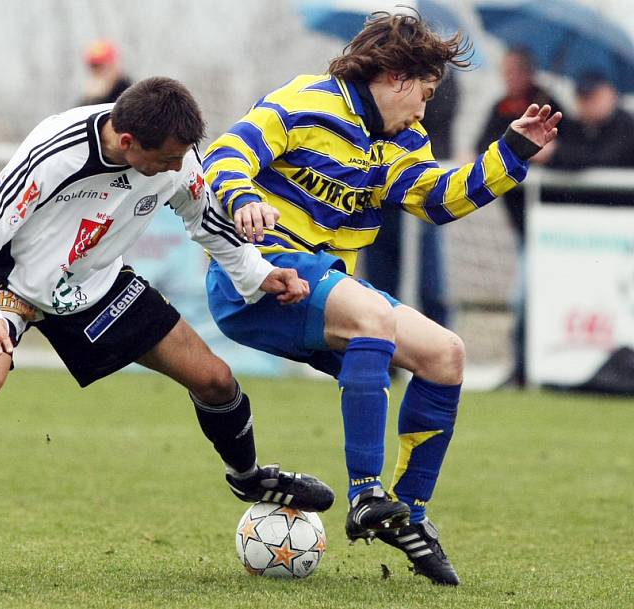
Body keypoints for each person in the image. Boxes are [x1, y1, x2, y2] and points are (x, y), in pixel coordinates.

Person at [0, 77, 335, 588]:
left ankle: (247, 477)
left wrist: (258, 275)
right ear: (128, 143)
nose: (179, 168)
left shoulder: (178, 157)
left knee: (215, 380)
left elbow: (206, 221)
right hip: (11, 285)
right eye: (169, 159)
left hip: (96, 285)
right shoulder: (54, 151)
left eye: (183, 157)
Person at [203, 12, 560, 585]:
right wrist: (244, 197)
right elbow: (224, 153)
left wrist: (511, 152)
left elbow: (440, 200)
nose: (423, 110)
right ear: (395, 76)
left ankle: (410, 514)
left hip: (324, 285)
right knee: (373, 316)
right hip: (259, 278)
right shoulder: (306, 100)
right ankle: (365, 492)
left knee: (447, 354)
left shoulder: (402, 140)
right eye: (422, 93)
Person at [475, 48, 563, 387]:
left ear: (528, 72)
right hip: (520, 223)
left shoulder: (549, 105)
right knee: (523, 296)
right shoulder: (501, 109)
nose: (509, 79)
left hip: (549, 227)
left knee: (525, 297)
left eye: (515, 72)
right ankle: (522, 369)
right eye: (505, 72)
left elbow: (568, 149)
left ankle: (527, 369)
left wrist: (549, 155)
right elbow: (483, 145)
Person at [362, 71, 459, 328]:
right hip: (381, 196)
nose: (420, 113)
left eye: (428, 96)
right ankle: (381, 343)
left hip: (420, 187)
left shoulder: (444, 80)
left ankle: (433, 338)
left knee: (428, 277)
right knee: (379, 277)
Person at [79, 39, 133, 106]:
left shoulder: (130, 96)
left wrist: (99, 99)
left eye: (102, 67)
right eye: (94, 67)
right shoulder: (90, 96)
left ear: (114, 66)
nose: (98, 72)